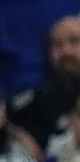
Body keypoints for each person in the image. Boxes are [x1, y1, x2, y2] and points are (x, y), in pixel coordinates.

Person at [11, 14, 80, 148]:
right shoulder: (41, 99)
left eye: (74, 41)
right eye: (57, 45)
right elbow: (1, 117)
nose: (66, 51)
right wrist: (18, 135)